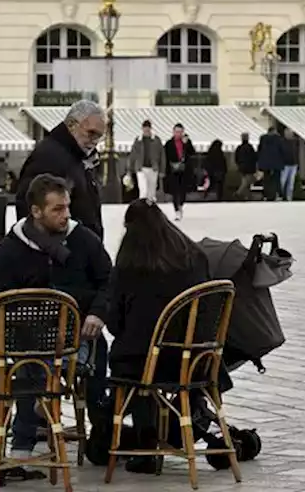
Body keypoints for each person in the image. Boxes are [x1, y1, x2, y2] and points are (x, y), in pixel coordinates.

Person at [0, 173, 110, 459]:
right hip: (27, 340)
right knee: (32, 364)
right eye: (57, 209)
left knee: (96, 356)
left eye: (67, 207)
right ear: (36, 211)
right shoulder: (12, 248)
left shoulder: (83, 239)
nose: (65, 215)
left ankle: (102, 436)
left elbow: (109, 281)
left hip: (79, 336)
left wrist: (97, 313)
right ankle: (23, 439)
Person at [105, 199, 215, 474]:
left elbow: (115, 323)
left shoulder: (130, 266)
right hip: (195, 360)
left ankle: (146, 445)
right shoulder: (195, 257)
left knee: (136, 362)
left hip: (145, 362)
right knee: (146, 356)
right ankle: (189, 422)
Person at [16, 100, 106, 241]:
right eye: (91, 133)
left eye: (99, 136)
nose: (95, 141)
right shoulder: (49, 156)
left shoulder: (76, 158)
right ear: (71, 125)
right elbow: (30, 210)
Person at [163, 124, 195, 221]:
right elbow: (165, 157)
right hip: (173, 170)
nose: (178, 134)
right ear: (173, 132)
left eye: (180, 132)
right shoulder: (169, 143)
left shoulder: (186, 142)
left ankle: (180, 205)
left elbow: (192, 152)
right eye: (177, 132)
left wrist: (186, 144)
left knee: (183, 190)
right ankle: (176, 210)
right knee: (174, 191)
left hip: (184, 170)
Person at [126, 120, 163, 204]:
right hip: (141, 168)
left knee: (151, 192)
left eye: (147, 129)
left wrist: (162, 170)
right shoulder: (138, 140)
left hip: (153, 168)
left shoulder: (156, 140)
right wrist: (129, 169)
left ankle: (150, 209)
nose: (146, 131)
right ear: (142, 129)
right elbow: (133, 155)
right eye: (144, 129)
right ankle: (142, 209)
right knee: (143, 191)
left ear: (150, 129)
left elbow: (162, 155)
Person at [255, 126, 284, 202]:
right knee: (276, 179)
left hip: (265, 163)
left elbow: (259, 150)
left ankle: (266, 195)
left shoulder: (263, 138)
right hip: (276, 162)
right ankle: (278, 194)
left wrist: (259, 162)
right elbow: (282, 151)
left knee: (266, 179)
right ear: (274, 131)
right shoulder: (279, 139)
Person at [233, 132, 257, 200]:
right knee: (246, 183)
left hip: (242, 167)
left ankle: (248, 196)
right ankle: (239, 193)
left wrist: (238, 165)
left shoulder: (239, 148)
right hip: (249, 168)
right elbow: (254, 157)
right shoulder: (250, 147)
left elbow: (236, 158)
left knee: (245, 182)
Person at [279, 128, 299, 201]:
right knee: (282, 181)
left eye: (290, 133)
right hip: (285, 164)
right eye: (287, 133)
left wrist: (297, 162)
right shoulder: (282, 142)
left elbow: (296, 153)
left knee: (291, 182)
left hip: (293, 164)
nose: (289, 135)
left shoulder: (295, 141)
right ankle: (280, 195)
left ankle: (289, 196)